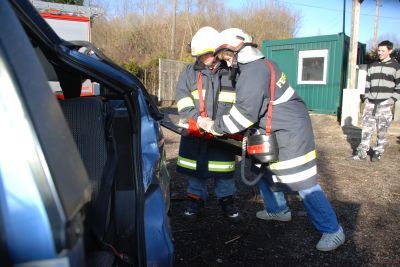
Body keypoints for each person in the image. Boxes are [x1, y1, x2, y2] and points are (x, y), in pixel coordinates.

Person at [198, 28, 345, 251]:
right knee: (262, 170)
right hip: (272, 129)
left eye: (227, 57)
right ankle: (278, 210)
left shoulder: (254, 70)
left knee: (304, 183)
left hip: (289, 132)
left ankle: (332, 231)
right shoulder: (255, 67)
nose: (227, 63)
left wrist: (213, 126)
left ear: (237, 48)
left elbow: (244, 114)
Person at [175, 26, 240, 222]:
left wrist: (226, 125)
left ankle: (227, 202)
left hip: (223, 133)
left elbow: (242, 101)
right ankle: (195, 202)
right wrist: (199, 119)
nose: (204, 59)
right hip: (196, 132)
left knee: (224, 172)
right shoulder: (188, 73)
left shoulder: (231, 71)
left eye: (207, 54)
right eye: (200, 56)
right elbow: (183, 100)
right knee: (196, 171)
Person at [347, 40, 400, 161]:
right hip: (370, 103)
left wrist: (391, 101)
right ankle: (362, 153)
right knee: (366, 129)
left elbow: (399, 87)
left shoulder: (396, 67)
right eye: (379, 50)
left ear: (390, 51)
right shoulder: (373, 66)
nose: (380, 53)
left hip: (385, 104)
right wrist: (366, 98)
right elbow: (367, 84)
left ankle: (377, 152)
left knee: (382, 130)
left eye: (383, 51)